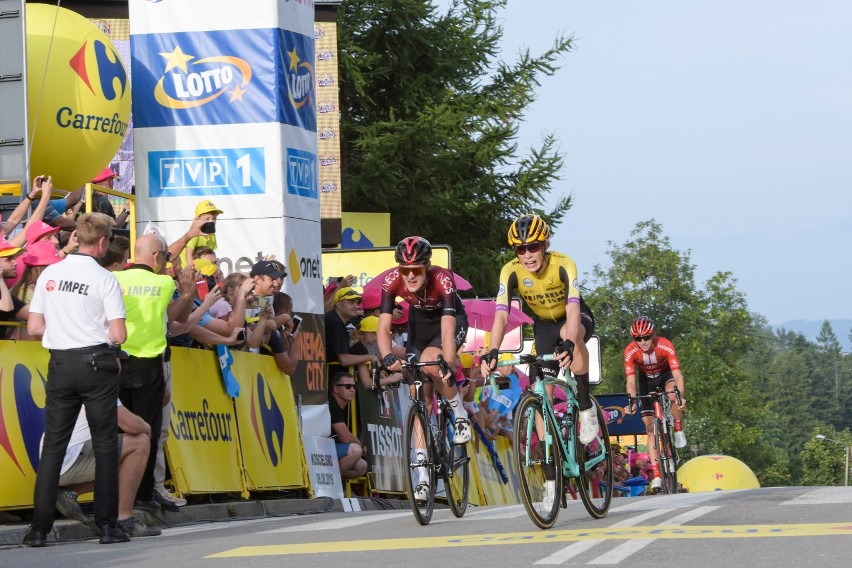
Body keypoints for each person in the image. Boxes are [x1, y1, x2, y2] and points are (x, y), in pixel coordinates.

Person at [25, 212, 129, 546]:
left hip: (60, 363)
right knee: (104, 443)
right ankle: (108, 526)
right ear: (102, 242)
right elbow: (119, 333)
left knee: (54, 444)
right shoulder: (104, 279)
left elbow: (35, 327)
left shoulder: (51, 274)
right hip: (96, 363)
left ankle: (39, 530)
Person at [480, 214, 599, 445]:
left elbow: (573, 309)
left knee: (567, 333)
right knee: (540, 389)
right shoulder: (510, 271)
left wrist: (571, 343)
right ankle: (550, 460)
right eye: (520, 249)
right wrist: (493, 350)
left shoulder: (564, 264)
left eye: (533, 247)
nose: (527, 254)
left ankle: (585, 406)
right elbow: (502, 314)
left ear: (545, 245)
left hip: (574, 317)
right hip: (544, 325)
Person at [377, 237, 472, 489]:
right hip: (418, 325)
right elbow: (384, 326)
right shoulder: (391, 281)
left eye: (415, 270)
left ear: (426, 266)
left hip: (449, 321)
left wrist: (448, 364)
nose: (409, 276)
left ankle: (458, 411)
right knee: (418, 394)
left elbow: (448, 327)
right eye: (404, 270)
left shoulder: (442, 279)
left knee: (432, 362)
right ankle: (422, 476)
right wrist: (387, 356)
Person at [113, 235, 178, 512]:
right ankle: (143, 493)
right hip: (147, 365)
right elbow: (170, 315)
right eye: (164, 255)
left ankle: (114, 493)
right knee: (146, 432)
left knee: (117, 432)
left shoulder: (114, 279)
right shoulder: (164, 282)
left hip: (115, 361)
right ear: (157, 256)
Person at [51, 403, 160, 537]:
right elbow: (131, 425)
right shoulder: (102, 383)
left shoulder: (73, 384)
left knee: (125, 461)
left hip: (52, 464)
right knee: (139, 441)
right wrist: (148, 428)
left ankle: (70, 493)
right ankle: (124, 519)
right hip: (70, 461)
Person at [623, 316, 688, 492]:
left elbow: (678, 375)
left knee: (674, 394)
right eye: (638, 339)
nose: (643, 342)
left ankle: (678, 427)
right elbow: (630, 381)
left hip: (665, 376)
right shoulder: (630, 351)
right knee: (650, 428)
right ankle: (657, 476)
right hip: (646, 380)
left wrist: (681, 396)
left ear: (653, 335)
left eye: (646, 337)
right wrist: (631, 400)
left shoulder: (664, 345)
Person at [325, 287, 375, 383]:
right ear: (339, 305)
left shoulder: (336, 320)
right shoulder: (335, 322)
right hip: (331, 383)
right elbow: (345, 360)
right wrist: (371, 357)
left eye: (357, 303)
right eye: (351, 302)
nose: (356, 306)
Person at [328, 372, 368, 479]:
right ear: (336, 389)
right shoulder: (331, 403)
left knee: (362, 467)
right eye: (348, 386)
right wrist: (362, 446)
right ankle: (330, 479)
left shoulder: (342, 404)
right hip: (320, 449)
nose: (353, 390)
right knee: (356, 450)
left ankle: (332, 478)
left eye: (354, 387)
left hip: (330, 448)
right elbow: (345, 437)